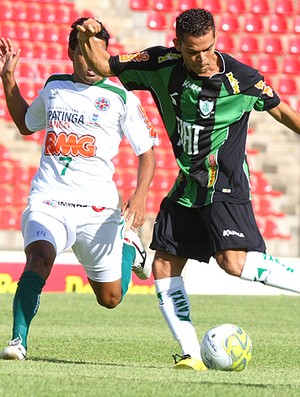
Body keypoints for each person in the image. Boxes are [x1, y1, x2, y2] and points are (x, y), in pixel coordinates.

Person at [75, 9, 300, 370]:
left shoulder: (243, 79)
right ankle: (190, 355)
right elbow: (102, 67)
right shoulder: (158, 63)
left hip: (225, 183)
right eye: (193, 51)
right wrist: (87, 38)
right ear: (177, 45)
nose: (203, 58)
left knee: (233, 263)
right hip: (188, 185)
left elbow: (283, 112)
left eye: (209, 48)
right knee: (163, 265)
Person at [0, 17, 157, 360]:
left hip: (97, 210)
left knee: (110, 299)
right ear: (72, 52)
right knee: (39, 258)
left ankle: (129, 246)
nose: (91, 63)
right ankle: (17, 342)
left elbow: (148, 154)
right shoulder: (55, 86)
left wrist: (140, 196)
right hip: (49, 200)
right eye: (84, 53)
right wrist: (8, 77)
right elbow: (27, 124)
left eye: (98, 52)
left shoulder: (121, 97)